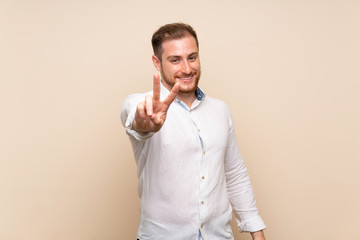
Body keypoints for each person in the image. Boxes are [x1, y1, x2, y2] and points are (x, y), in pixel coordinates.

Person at [121, 23, 266, 240]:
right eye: (175, 60)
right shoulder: (142, 104)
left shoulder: (221, 110)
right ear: (157, 62)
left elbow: (234, 174)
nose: (187, 69)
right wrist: (147, 123)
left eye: (192, 57)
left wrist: (257, 232)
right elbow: (136, 119)